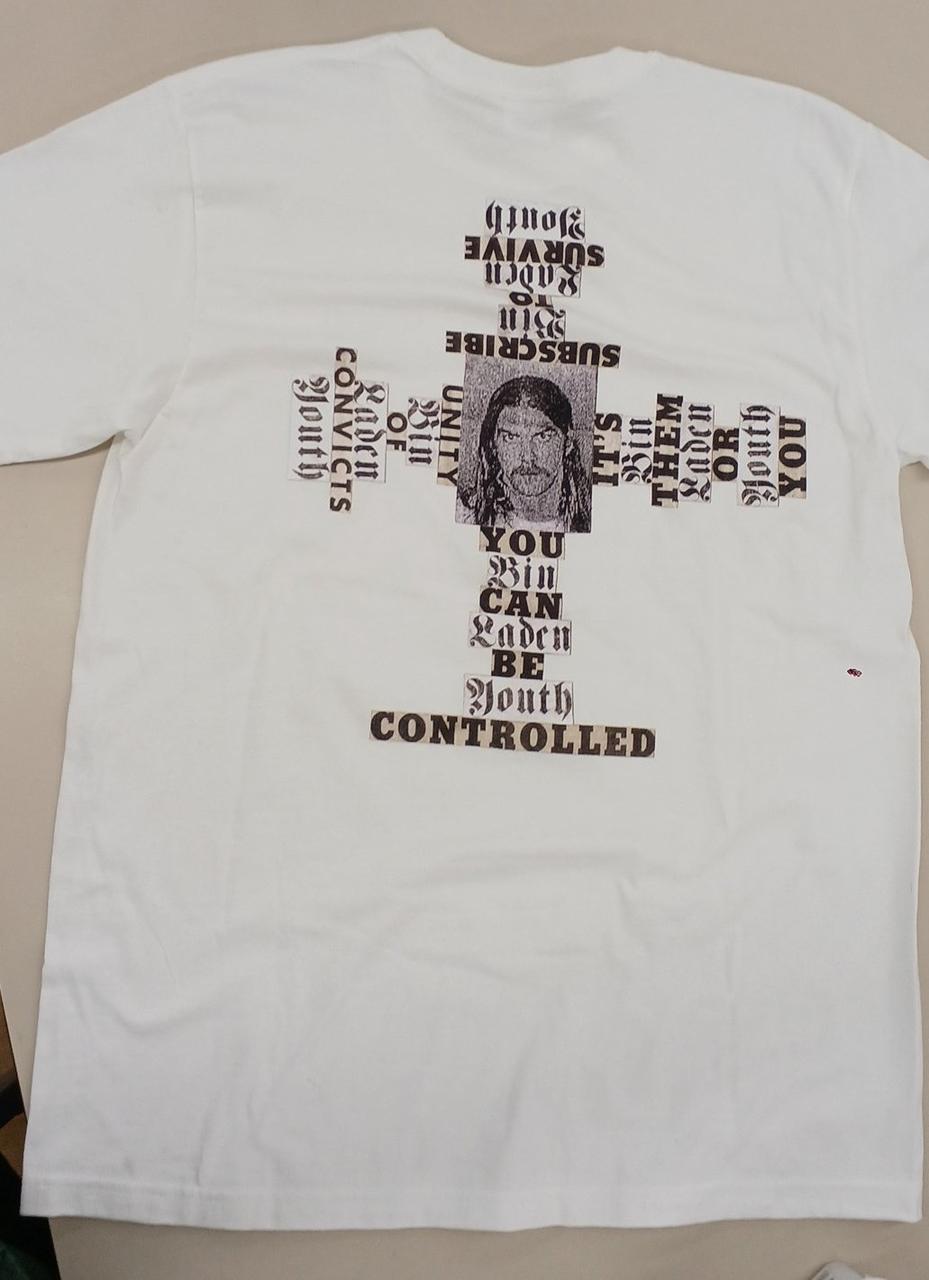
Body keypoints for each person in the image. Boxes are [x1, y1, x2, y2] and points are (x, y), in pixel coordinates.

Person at [457, 374, 592, 532]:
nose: (527, 458)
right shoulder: (465, 515)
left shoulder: (596, 515)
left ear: (567, 442)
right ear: (493, 445)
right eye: (511, 437)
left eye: (543, 437)